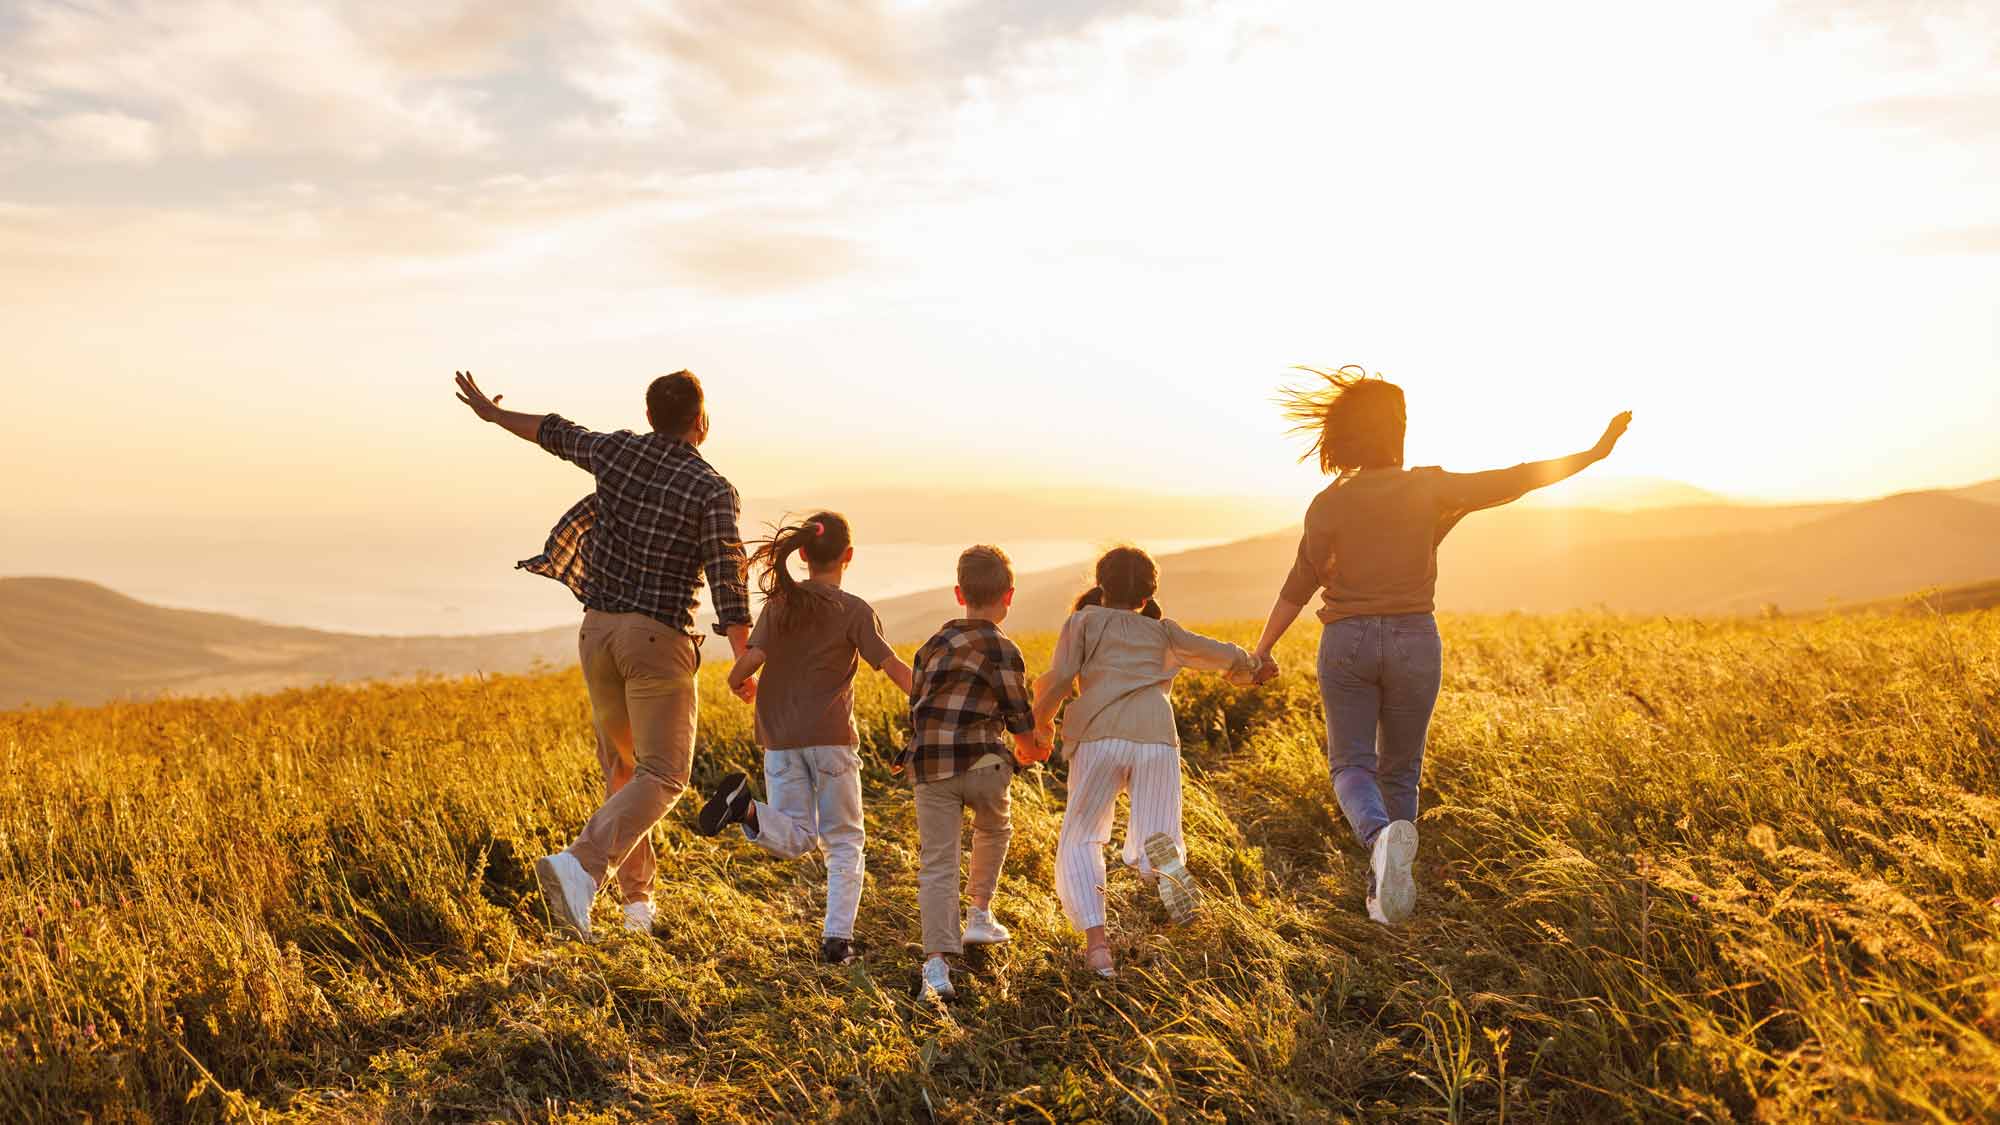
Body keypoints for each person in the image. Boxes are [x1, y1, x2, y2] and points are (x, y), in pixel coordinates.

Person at [1248, 365, 1631, 926]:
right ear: (1396, 429)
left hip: (1347, 641)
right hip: (1414, 639)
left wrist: (1262, 651)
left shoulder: (1327, 503)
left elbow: (1297, 585)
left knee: (1351, 765)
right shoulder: (1430, 487)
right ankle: (1388, 888)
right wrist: (1593, 454)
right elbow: (1518, 477)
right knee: (1401, 771)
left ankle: (1379, 843)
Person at [453, 369, 753, 941]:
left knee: (624, 772)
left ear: (649, 417)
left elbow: (553, 431)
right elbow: (726, 575)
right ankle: (581, 865)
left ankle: (637, 905)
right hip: (655, 641)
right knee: (664, 775)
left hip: (597, 634)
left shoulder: (617, 452)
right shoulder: (712, 489)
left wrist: (493, 415)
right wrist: (743, 657)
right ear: (701, 421)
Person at [1031, 546, 1268, 978]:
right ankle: (1168, 873)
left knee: (1082, 836)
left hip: (1100, 735)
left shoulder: (1082, 622)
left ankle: (1098, 948)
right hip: (1156, 736)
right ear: (1147, 596)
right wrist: (1252, 667)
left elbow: (1061, 678)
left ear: (1101, 587)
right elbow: (1216, 652)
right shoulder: (1163, 632)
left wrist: (1038, 726)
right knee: (1159, 832)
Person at [692, 512, 914, 965]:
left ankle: (747, 810)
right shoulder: (853, 609)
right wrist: (930, 700)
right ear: (848, 555)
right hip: (830, 739)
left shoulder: (781, 605)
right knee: (844, 840)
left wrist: (737, 681)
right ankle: (837, 940)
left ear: (804, 554)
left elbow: (750, 659)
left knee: (796, 835)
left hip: (779, 738)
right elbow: (891, 666)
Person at [902, 545, 1051, 1000]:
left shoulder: (931, 646)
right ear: (1009, 596)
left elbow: (915, 707)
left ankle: (936, 967)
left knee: (937, 863)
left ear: (958, 593)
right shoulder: (1003, 648)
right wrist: (1031, 748)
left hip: (930, 765)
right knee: (993, 827)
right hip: (984, 762)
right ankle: (980, 914)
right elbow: (1018, 714)